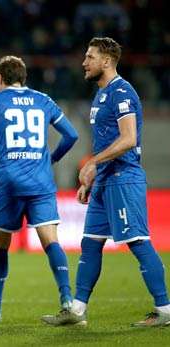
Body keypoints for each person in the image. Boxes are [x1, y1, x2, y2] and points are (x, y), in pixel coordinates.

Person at [42, 37, 170, 327]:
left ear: (107, 61)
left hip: (124, 180)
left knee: (137, 241)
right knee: (90, 243)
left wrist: (92, 163)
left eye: (90, 57)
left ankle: (165, 309)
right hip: (105, 181)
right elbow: (108, 144)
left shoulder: (122, 92)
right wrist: (92, 178)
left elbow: (128, 140)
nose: (84, 62)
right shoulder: (100, 96)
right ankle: (77, 310)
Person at [0, 56, 78, 323]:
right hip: (40, 181)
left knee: (0, 245)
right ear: (23, 78)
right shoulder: (43, 100)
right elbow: (71, 135)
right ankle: (68, 301)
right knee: (51, 241)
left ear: (0, 78)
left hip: (8, 182)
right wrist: (53, 158)